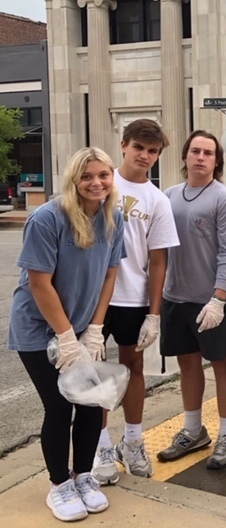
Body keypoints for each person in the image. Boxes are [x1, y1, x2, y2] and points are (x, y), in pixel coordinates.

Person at [8, 148, 125, 522]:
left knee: (92, 402)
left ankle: (83, 476)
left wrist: (94, 330)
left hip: (82, 327)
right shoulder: (47, 219)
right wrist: (66, 337)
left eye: (103, 175)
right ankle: (59, 485)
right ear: (74, 179)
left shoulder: (113, 217)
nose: (96, 183)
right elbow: (40, 283)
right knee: (60, 405)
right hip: (39, 329)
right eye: (87, 176)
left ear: (111, 177)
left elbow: (109, 274)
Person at [91, 119, 179, 485]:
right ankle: (98, 448)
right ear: (123, 145)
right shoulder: (100, 182)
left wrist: (153, 314)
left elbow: (158, 260)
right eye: (139, 147)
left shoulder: (157, 200)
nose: (144, 156)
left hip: (133, 298)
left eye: (153, 151)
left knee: (132, 370)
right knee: (92, 373)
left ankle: (132, 440)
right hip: (93, 298)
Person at [157, 130, 226, 469]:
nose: (201, 157)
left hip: (212, 301)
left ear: (217, 160)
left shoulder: (224, 199)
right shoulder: (168, 196)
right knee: (187, 364)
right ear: (185, 156)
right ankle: (193, 430)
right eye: (195, 151)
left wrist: (218, 298)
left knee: (221, 364)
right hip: (175, 298)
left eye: (208, 152)